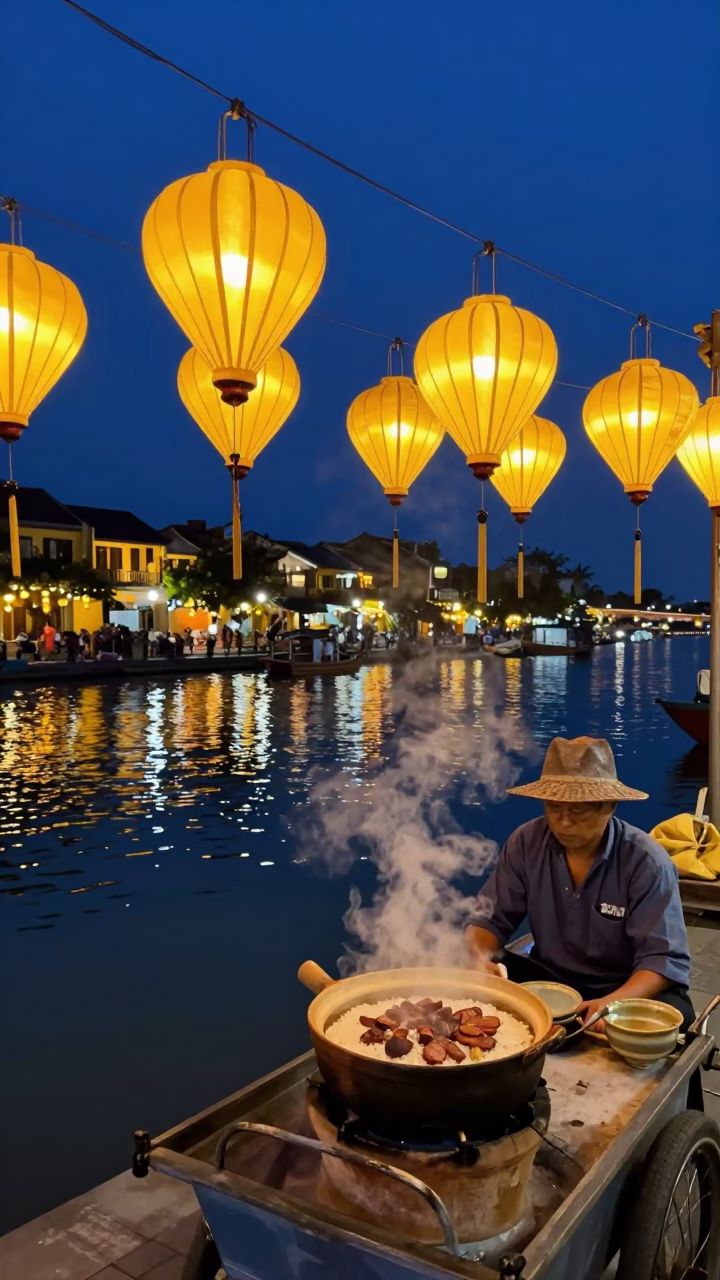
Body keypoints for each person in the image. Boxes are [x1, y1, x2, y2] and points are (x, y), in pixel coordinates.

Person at [468, 736, 694, 1031]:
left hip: (626, 984)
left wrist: (612, 1003)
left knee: (674, 1016)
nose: (563, 823)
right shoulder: (526, 842)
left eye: (578, 810)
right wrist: (478, 959)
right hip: (553, 979)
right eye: (553, 807)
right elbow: (490, 920)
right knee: (472, 968)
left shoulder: (647, 861)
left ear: (609, 806)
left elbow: (662, 959)